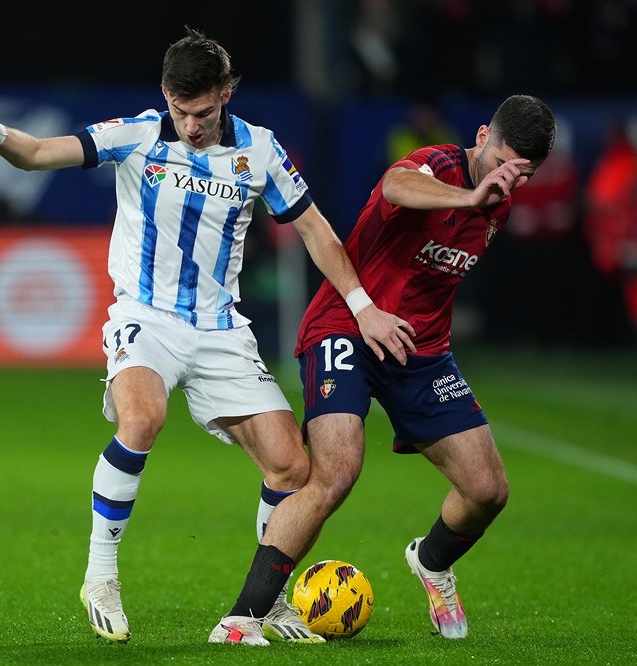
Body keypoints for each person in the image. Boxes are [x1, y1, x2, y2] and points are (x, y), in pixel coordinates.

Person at [0, 27, 414, 646]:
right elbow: (39, 154)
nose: (191, 125)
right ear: (166, 94)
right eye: (181, 111)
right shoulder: (137, 135)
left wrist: (363, 307)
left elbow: (317, 233)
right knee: (142, 419)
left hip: (222, 330)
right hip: (148, 316)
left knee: (293, 467)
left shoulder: (261, 153)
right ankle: (101, 573)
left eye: (204, 112)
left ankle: (269, 601)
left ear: (227, 92)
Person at [220, 94, 555, 641]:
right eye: (502, 166)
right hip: (347, 325)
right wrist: (472, 194)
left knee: (488, 489)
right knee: (335, 472)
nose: (509, 183)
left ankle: (433, 562)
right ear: (480, 137)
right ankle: (243, 618)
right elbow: (398, 186)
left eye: (524, 175)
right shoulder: (442, 166)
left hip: (420, 352)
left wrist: (486, 196)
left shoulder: (500, 204)